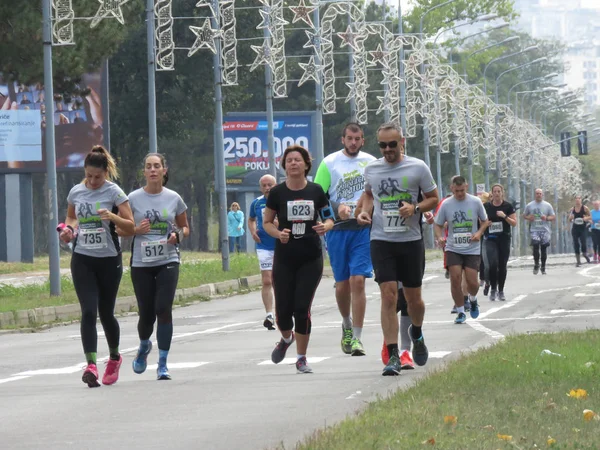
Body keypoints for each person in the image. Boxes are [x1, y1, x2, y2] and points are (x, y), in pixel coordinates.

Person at [357, 122, 439, 376]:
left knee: (414, 299)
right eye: (383, 145)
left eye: (393, 144)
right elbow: (369, 195)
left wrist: (415, 209)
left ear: (402, 142)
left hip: (411, 240)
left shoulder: (417, 167)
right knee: (389, 295)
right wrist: (363, 211)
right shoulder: (372, 169)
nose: (388, 149)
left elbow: (434, 198)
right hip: (382, 240)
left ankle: (416, 331)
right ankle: (393, 354)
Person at [59, 145, 135, 388]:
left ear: (106, 173)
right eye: (89, 176)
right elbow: (71, 217)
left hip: (109, 260)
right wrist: (68, 230)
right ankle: (90, 364)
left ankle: (114, 357)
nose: (92, 181)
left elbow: (131, 226)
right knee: (88, 311)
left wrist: (112, 217)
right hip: (82, 258)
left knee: (106, 313)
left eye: (98, 177)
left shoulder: (115, 193)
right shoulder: (76, 192)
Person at [263, 145, 335, 374]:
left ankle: (301, 358)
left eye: (297, 160)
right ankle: (286, 338)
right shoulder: (277, 193)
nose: (293, 163)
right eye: (289, 160)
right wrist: (278, 233)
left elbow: (330, 218)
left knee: (302, 308)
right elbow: (267, 223)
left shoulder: (316, 191)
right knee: (283, 312)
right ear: (284, 166)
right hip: (284, 257)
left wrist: (325, 226)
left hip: (310, 256)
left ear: (306, 164)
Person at [118, 153, 189, 380]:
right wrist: (136, 230)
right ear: (144, 172)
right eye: (148, 166)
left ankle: (163, 363)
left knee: (163, 309)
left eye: (157, 166)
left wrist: (177, 236)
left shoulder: (174, 198)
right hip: (141, 262)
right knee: (146, 314)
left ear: (164, 170)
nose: (153, 170)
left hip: (168, 260)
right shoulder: (133, 198)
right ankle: (143, 345)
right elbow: (120, 229)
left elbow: (185, 227)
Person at [314, 123, 376, 356]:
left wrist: (369, 212)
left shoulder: (371, 162)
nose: (353, 143)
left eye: (357, 138)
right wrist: (334, 207)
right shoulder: (329, 162)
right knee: (343, 285)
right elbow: (317, 195)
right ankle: (346, 323)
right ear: (342, 140)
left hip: (361, 229)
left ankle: (358, 338)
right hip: (337, 230)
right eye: (349, 138)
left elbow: (377, 192)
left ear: (363, 140)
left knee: (358, 280)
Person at [434, 176, 487, 324]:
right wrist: (439, 237)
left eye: (462, 190)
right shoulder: (446, 204)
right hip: (453, 247)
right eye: (456, 191)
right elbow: (437, 224)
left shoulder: (475, 202)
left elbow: (485, 221)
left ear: (467, 187)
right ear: (452, 188)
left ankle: (473, 298)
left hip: (472, 248)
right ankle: (461, 311)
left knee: (473, 283)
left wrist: (479, 233)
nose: (459, 194)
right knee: (455, 279)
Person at [248, 174, 277, 330]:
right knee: (267, 280)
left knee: (281, 281)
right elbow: (251, 219)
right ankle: (269, 314)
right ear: (260, 188)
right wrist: (253, 232)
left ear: (275, 185)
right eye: (264, 185)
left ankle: (285, 312)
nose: (267, 188)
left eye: (270, 185)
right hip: (264, 246)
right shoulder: (257, 203)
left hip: (282, 245)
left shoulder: (282, 201)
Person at [483, 184, 517, 301]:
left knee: (502, 265)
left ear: (502, 193)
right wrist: (486, 224)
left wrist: (505, 216)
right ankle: (493, 289)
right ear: (492, 193)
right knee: (493, 263)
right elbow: (481, 220)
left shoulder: (508, 206)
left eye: (499, 191)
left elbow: (514, 223)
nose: (497, 193)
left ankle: (501, 290)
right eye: (495, 191)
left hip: (504, 238)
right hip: (491, 238)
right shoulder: (486, 206)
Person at [523, 189, 556, 275]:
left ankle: (543, 267)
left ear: (542, 195)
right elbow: (524, 215)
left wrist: (547, 218)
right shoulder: (529, 205)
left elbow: (553, 216)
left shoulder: (547, 205)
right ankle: (536, 264)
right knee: (535, 245)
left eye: (540, 194)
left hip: (545, 230)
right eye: (537, 194)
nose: (538, 195)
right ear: (535, 195)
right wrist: (529, 217)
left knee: (544, 248)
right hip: (534, 229)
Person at [568, 195, 591, 267]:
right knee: (576, 243)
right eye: (576, 199)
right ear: (575, 200)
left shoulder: (585, 208)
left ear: (581, 200)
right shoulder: (572, 209)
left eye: (579, 198)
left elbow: (590, 216)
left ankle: (585, 254)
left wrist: (586, 218)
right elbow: (569, 219)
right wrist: (571, 218)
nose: (577, 200)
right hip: (575, 228)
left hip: (583, 228)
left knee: (583, 242)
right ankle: (578, 261)